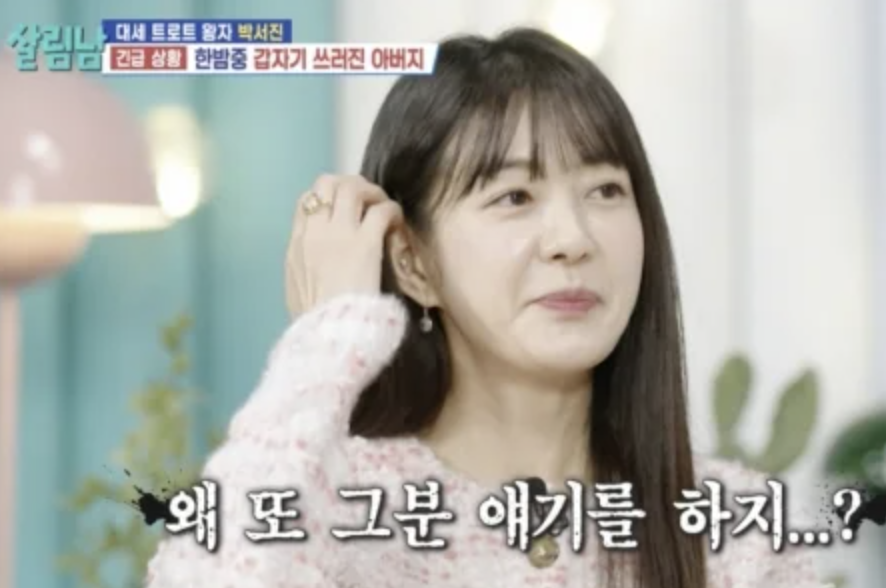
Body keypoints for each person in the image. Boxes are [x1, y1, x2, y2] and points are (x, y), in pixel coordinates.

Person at [144, 28, 825, 587]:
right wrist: (325, 343)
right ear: (413, 263)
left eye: (606, 191)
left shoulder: (741, 536)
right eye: (514, 197)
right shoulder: (339, 508)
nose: (573, 239)